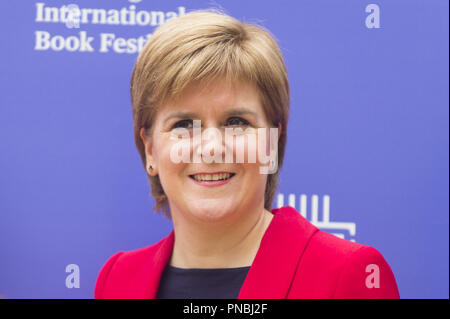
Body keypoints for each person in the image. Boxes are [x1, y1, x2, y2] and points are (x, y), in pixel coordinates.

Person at [94, 9, 400, 299]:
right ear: (150, 150)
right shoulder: (118, 279)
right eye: (184, 124)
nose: (212, 148)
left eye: (236, 122)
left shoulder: (348, 273)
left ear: (272, 141)